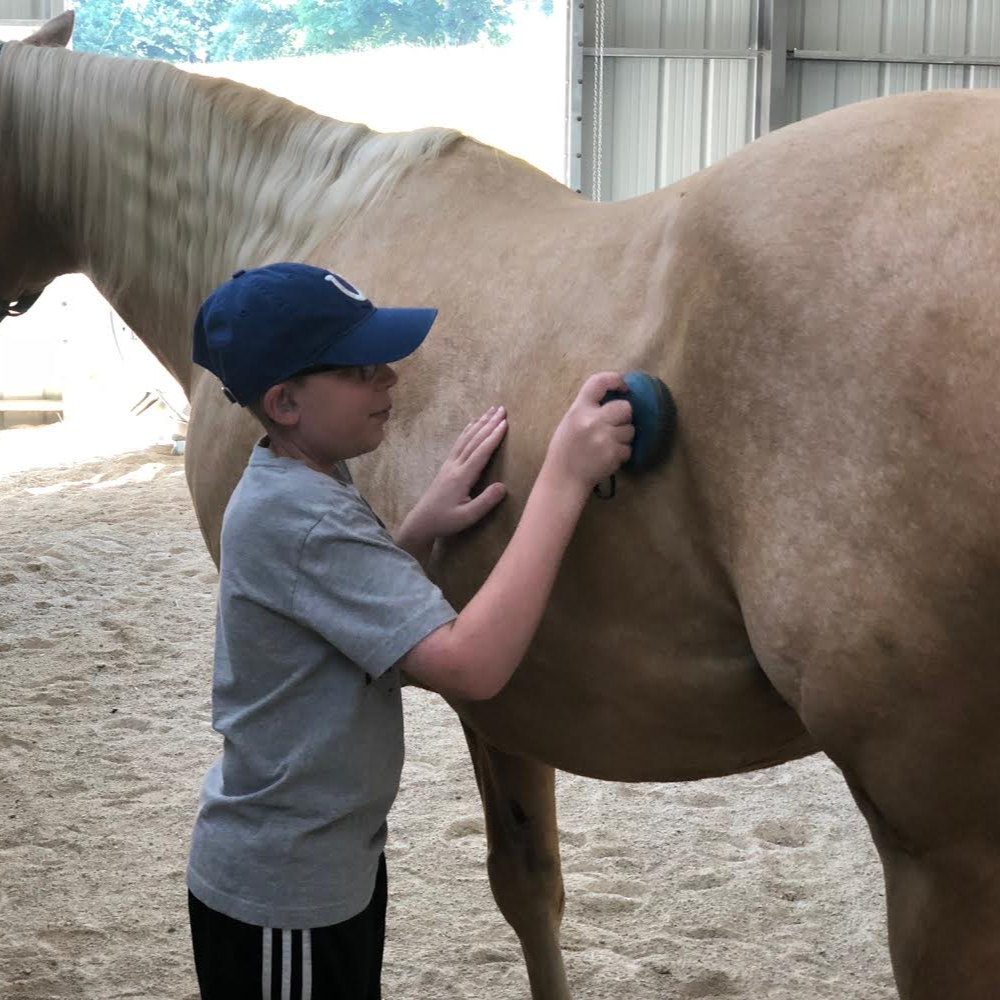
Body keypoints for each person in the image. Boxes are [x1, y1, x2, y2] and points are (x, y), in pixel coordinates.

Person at [186, 262, 634, 999]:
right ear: (285, 401)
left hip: (328, 864)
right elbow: (471, 665)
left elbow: (333, 605)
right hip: (283, 898)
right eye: (360, 368)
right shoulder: (300, 516)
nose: (389, 376)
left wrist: (421, 525)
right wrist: (565, 476)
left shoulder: (305, 478)